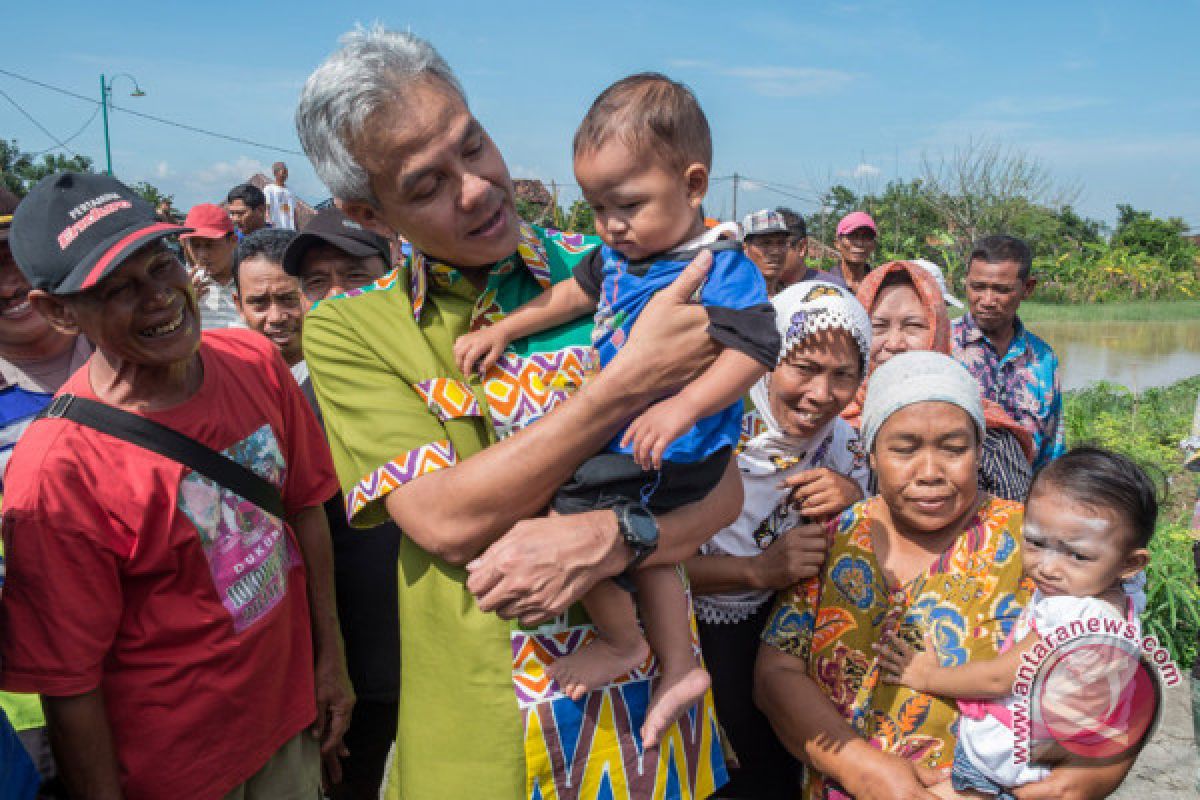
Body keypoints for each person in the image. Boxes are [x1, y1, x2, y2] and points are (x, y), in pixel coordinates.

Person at [296, 27, 738, 799]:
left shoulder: (617, 263)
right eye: (427, 185)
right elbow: (445, 520)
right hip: (486, 742)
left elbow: (723, 489)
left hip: (651, 726)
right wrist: (625, 384)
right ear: (370, 214)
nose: (475, 188)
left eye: (473, 146)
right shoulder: (352, 329)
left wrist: (616, 534)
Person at [0, 172, 353, 798]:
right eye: (116, 289)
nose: (159, 297)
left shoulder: (252, 362)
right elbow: (71, 685)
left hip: (286, 727)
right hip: (173, 772)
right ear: (57, 310)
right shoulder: (56, 473)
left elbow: (303, 510)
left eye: (161, 265)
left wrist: (331, 663)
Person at [452, 72, 776, 745]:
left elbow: (754, 349)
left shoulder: (720, 263)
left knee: (562, 509)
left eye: (626, 205)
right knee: (650, 543)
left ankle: (623, 640)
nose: (611, 226)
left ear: (693, 186)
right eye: (598, 208)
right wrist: (504, 330)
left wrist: (682, 407)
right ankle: (680, 664)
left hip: (675, 445)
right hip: (651, 447)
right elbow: (573, 296)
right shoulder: (621, 254)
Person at [756, 351, 1136, 800]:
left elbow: (1113, 669)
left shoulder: (1037, 546)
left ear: (979, 451)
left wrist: (1079, 780)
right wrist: (863, 769)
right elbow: (777, 672)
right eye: (905, 449)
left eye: (954, 449)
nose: (931, 473)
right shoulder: (833, 538)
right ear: (871, 454)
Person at [877, 446, 1155, 799]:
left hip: (1008, 760)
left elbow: (999, 677)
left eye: (1077, 555)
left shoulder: (1075, 616)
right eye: (1037, 542)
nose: (1048, 566)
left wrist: (926, 675)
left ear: (1131, 563)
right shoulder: (1119, 594)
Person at [689, 281, 870, 798]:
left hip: (796, 652)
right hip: (699, 646)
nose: (821, 394)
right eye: (805, 368)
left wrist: (854, 498)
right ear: (768, 360)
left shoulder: (847, 449)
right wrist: (758, 571)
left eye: (843, 376)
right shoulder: (708, 434)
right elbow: (647, 565)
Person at [281, 209, 402, 800]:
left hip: (460, 661)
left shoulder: (451, 372)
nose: (333, 298)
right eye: (316, 284)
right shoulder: (288, 408)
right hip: (361, 679)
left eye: (353, 276)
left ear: (395, 272)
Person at [0, 187, 84, 798]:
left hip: (165, 673)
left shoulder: (141, 352)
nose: (6, 281)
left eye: (12, 254)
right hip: (27, 705)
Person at [842, 261, 1035, 501]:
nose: (894, 344)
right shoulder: (834, 431)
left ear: (940, 330)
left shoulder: (988, 435)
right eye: (878, 327)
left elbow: (1021, 527)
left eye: (913, 326)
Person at [953, 235, 1065, 470]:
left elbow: (1052, 449)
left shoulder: (1043, 359)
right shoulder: (940, 345)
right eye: (978, 287)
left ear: (1027, 288)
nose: (987, 300)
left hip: (1023, 498)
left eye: (1001, 290)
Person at [180, 203, 246, 330]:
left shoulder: (250, 282)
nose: (202, 255)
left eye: (210, 245)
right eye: (195, 245)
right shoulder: (183, 286)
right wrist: (182, 305)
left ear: (233, 241)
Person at [776, 207, 845, 289]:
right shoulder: (761, 290)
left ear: (802, 247)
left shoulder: (831, 288)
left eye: (780, 245)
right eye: (765, 245)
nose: (771, 253)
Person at [741, 208, 791, 294]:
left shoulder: (793, 298)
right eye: (765, 243)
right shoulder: (733, 298)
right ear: (745, 248)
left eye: (781, 243)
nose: (775, 251)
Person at [833, 210, 877, 293]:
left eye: (867, 237)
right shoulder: (825, 284)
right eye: (852, 236)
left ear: (873, 245)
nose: (859, 243)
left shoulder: (880, 285)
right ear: (837, 244)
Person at [264, 162, 297, 230]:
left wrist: (296, 226)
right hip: (275, 228)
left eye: (286, 172)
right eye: (284, 172)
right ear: (275, 173)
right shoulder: (269, 189)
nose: (286, 175)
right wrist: (268, 222)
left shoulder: (291, 191)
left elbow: (294, 211)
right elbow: (266, 208)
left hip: (290, 229)